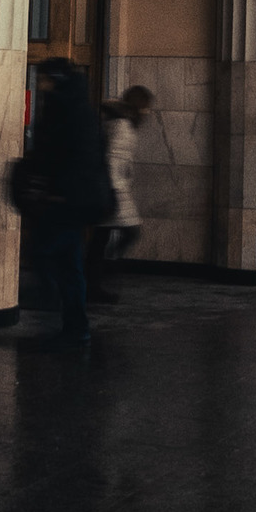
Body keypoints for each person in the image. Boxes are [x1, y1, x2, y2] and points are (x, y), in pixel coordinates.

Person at [25, 58, 113, 343]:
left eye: (45, 78)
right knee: (70, 263)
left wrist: (51, 187)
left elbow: (55, 154)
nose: (41, 84)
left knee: (44, 253)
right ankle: (75, 325)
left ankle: (56, 312)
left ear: (55, 78)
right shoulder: (79, 106)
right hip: (76, 199)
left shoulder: (62, 109)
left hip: (63, 198)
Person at [89, 85, 154, 303]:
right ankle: (105, 270)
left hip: (110, 187)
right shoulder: (123, 125)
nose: (147, 112)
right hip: (113, 189)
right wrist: (114, 191)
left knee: (100, 238)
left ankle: (94, 282)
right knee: (130, 232)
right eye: (146, 107)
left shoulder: (119, 122)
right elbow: (113, 160)